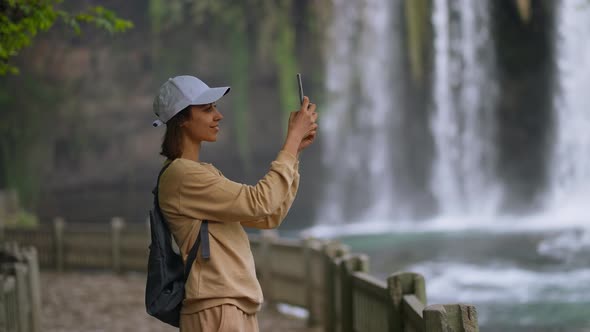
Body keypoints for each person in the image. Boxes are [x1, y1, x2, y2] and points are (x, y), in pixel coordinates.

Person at [151, 75, 318, 331]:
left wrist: (294, 154)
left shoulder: (200, 173)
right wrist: (292, 139)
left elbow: (268, 216)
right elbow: (259, 202)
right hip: (217, 307)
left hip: (230, 305)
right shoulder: (182, 175)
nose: (218, 116)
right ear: (182, 119)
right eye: (207, 109)